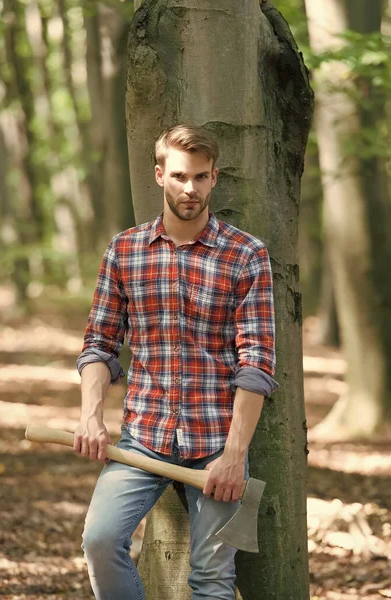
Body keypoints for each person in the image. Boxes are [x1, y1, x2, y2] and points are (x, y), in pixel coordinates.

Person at [74, 124, 279, 600]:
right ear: (159, 175)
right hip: (143, 440)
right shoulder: (124, 250)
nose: (191, 189)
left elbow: (257, 366)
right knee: (100, 541)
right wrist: (90, 416)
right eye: (181, 176)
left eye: (202, 177)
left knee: (212, 579)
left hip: (215, 444)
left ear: (215, 178)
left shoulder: (247, 255)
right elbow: (99, 346)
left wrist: (233, 456)